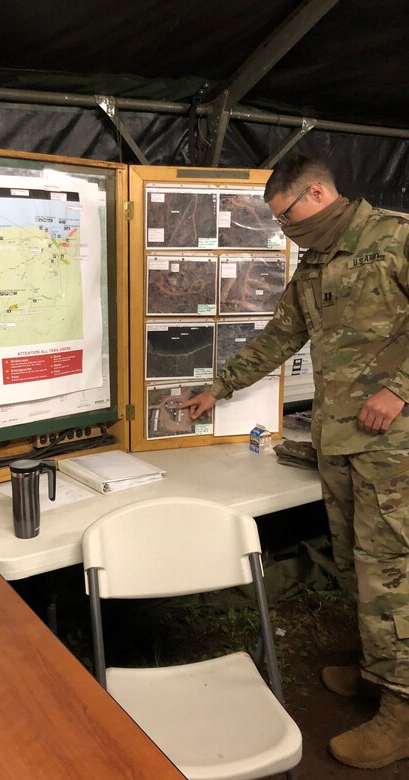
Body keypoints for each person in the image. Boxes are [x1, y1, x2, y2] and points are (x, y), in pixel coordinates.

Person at [181, 154, 409, 769]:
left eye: (287, 216)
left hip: (396, 451)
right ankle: (376, 671)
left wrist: (399, 389)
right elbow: (282, 336)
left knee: (393, 576)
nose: (285, 230)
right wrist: (219, 385)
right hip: (340, 444)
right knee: (358, 567)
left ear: (316, 192)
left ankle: (403, 711)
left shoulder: (397, 236)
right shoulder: (315, 264)